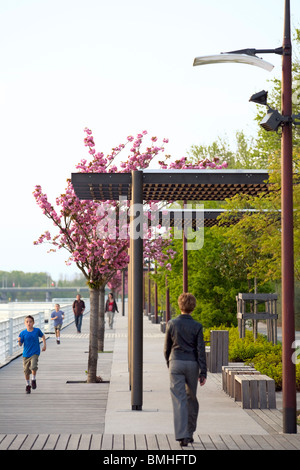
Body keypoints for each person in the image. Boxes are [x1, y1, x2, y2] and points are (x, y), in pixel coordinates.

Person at [164, 293, 207, 447]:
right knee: (191, 398)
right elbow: (200, 350)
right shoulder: (197, 326)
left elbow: (166, 349)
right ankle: (189, 433)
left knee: (179, 399)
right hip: (192, 364)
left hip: (176, 362)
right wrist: (203, 372)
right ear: (193, 307)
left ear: (179, 305)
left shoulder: (171, 323)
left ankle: (181, 435)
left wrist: (170, 364)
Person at [18, 315, 46, 394]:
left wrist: (44, 345)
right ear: (25, 323)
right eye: (27, 322)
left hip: (35, 352)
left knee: (33, 366)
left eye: (30, 322)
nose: (29, 323)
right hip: (26, 354)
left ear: (33, 323)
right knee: (26, 371)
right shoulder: (23, 333)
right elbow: (20, 344)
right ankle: (28, 385)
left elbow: (43, 336)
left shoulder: (37, 330)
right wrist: (19, 341)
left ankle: (33, 379)